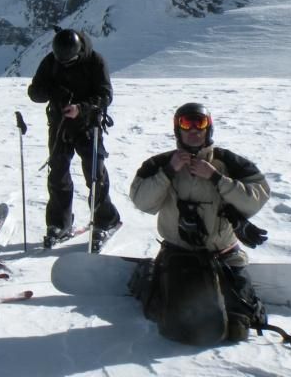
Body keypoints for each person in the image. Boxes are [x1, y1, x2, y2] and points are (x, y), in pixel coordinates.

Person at [129, 103, 271, 343]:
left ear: (209, 127)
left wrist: (216, 178)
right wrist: (169, 171)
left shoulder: (230, 163)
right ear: (178, 129)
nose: (194, 130)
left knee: (238, 328)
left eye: (200, 123)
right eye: (186, 123)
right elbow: (143, 202)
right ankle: (149, 276)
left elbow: (255, 200)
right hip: (179, 257)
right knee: (162, 316)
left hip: (223, 256)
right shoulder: (159, 164)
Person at [27, 28, 121, 250]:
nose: (64, 63)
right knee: (58, 171)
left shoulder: (95, 61)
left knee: (95, 174)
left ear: (79, 52)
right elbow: (34, 92)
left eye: (69, 60)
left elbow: (105, 95)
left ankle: (106, 220)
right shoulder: (51, 61)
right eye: (61, 60)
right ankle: (59, 223)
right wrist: (54, 92)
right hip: (60, 125)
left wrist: (82, 108)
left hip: (88, 125)